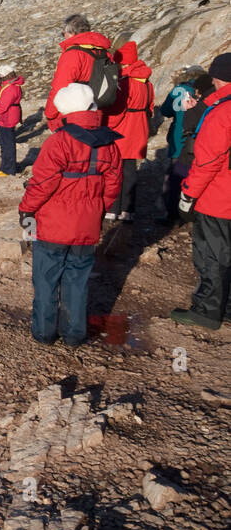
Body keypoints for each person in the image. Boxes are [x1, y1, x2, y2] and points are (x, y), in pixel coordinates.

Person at [18, 83, 122, 346]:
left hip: (54, 224)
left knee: (46, 279)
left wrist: (26, 209)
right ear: (91, 107)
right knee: (78, 280)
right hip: (87, 224)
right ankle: (74, 334)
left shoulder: (58, 142)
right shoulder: (109, 143)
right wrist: (98, 211)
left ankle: (44, 333)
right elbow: (113, 187)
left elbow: (43, 184)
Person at [172, 53, 231, 329]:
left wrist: (188, 195)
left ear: (218, 78)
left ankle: (207, 311)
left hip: (219, 197)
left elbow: (207, 161)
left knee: (212, 255)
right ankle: (226, 307)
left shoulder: (221, 112)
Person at [104, 41, 154, 221]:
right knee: (131, 169)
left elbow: (117, 109)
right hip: (139, 127)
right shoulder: (146, 81)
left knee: (116, 169)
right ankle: (128, 209)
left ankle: (113, 208)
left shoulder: (125, 82)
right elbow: (150, 106)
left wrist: (106, 125)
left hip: (122, 127)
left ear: (122, 62)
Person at [45, 14, 113, 131]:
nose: (63, 36)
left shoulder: (73, 54)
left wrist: (50, 113)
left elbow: (60, 86)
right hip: (98, 108)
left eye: (63, 33)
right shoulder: (103, 51)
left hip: (76, 114)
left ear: (71, 33)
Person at [161, 66, 206, 222]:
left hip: (179, 138)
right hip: (199, 142)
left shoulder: (179, 90)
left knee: (174, 175)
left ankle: (171, 213)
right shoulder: (207, 91)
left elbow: (165, 111)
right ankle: (192, 212)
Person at [0, 65, 24, 176]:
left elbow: (3, 105)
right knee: (5, 143)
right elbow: (2, 93)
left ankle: (8, 170)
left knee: (8, 144)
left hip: (8, 117)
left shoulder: (11, 88)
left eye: (1, 74)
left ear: (5, 75)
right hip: (6, 116)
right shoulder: (10, 85)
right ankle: (5, 168)